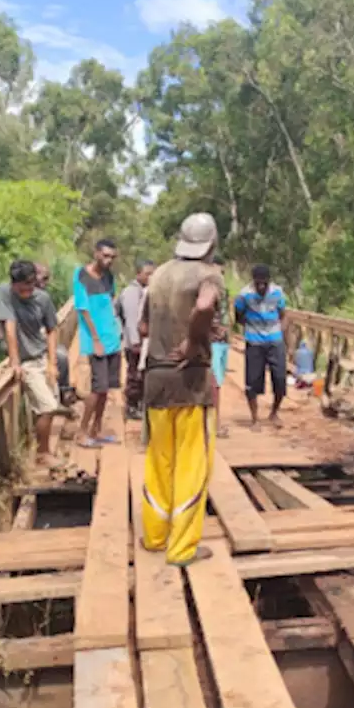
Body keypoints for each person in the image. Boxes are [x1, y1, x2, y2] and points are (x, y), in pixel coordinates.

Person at [140, 213, 225, 567]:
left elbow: (144, 326)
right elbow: (204, 305)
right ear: (212, 242)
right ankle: (182, 549)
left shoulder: (158, 273)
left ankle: (155, 536)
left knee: (159, 460)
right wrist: (193, 340)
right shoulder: (209, 274)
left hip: (155, 379)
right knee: (192, 463)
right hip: (189, 381)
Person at [0, 260, 61, 468]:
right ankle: (43, 453)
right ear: (13, 284)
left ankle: (37, 446)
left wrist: (52, 363)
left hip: (42, 356)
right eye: (22, 289)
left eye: (30, 287)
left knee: (49, 405)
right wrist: (15, 362)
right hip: (27, 363)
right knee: (48, 407)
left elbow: (52, 329)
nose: (26, 292)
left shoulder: (43, 299)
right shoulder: (5, 293)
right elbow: (10, 327)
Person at [73, 239, 122, 447]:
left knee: (106, 389)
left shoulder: (109, 277)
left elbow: (111, 302)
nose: (109, 260)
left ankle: (97, 429)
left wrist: (117, 330)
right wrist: (95, 339)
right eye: (105, 255)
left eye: (112, 257)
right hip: (96, 341)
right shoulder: (81, 276)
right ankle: (82, 432)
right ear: (96, 254)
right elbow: (83, 309)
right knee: (97, 388)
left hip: (112, 339)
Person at [234, 263, 288, 429]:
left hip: (275, 340)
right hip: (254, 341)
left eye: (264, 283)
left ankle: (274, 412)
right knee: (253, 380)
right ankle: (255, 418)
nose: (261, 287)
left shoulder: (277, 292)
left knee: (279, 378)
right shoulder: (244, 295)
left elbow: (284, 315)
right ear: (253, 281)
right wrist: (251, 327)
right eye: (258, 283)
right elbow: (238, 315)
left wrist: (281, 335)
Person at [34, 262, 77, 410]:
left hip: (41, 340)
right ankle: (63, 392)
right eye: (44, 278)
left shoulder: (43, 297)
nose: (46, 282)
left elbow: (52, 324)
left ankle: (63, 391)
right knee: (61, 356)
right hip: (32, 344)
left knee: (62, 354)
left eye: (47, 279)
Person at [116, 259, 155, 421]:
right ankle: (131, 406)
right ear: (138, 274)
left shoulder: (145, 290)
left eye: (153, 273)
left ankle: (138, 404)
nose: (151, 277)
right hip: (135, 342)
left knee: (141, 374)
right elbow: (131, 319)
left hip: (142, 341)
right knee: (135, 375)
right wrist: (135, 342)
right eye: (148, 274)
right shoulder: (132, 292)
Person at [209, 255, 232, 438]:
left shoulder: (224, 291)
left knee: (218, 382)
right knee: (214, 383)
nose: (220, 276)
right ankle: (214, 424)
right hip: (213, 342)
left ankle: (214, 422)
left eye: (222, 272)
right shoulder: (206, 291)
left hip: (223, 341)